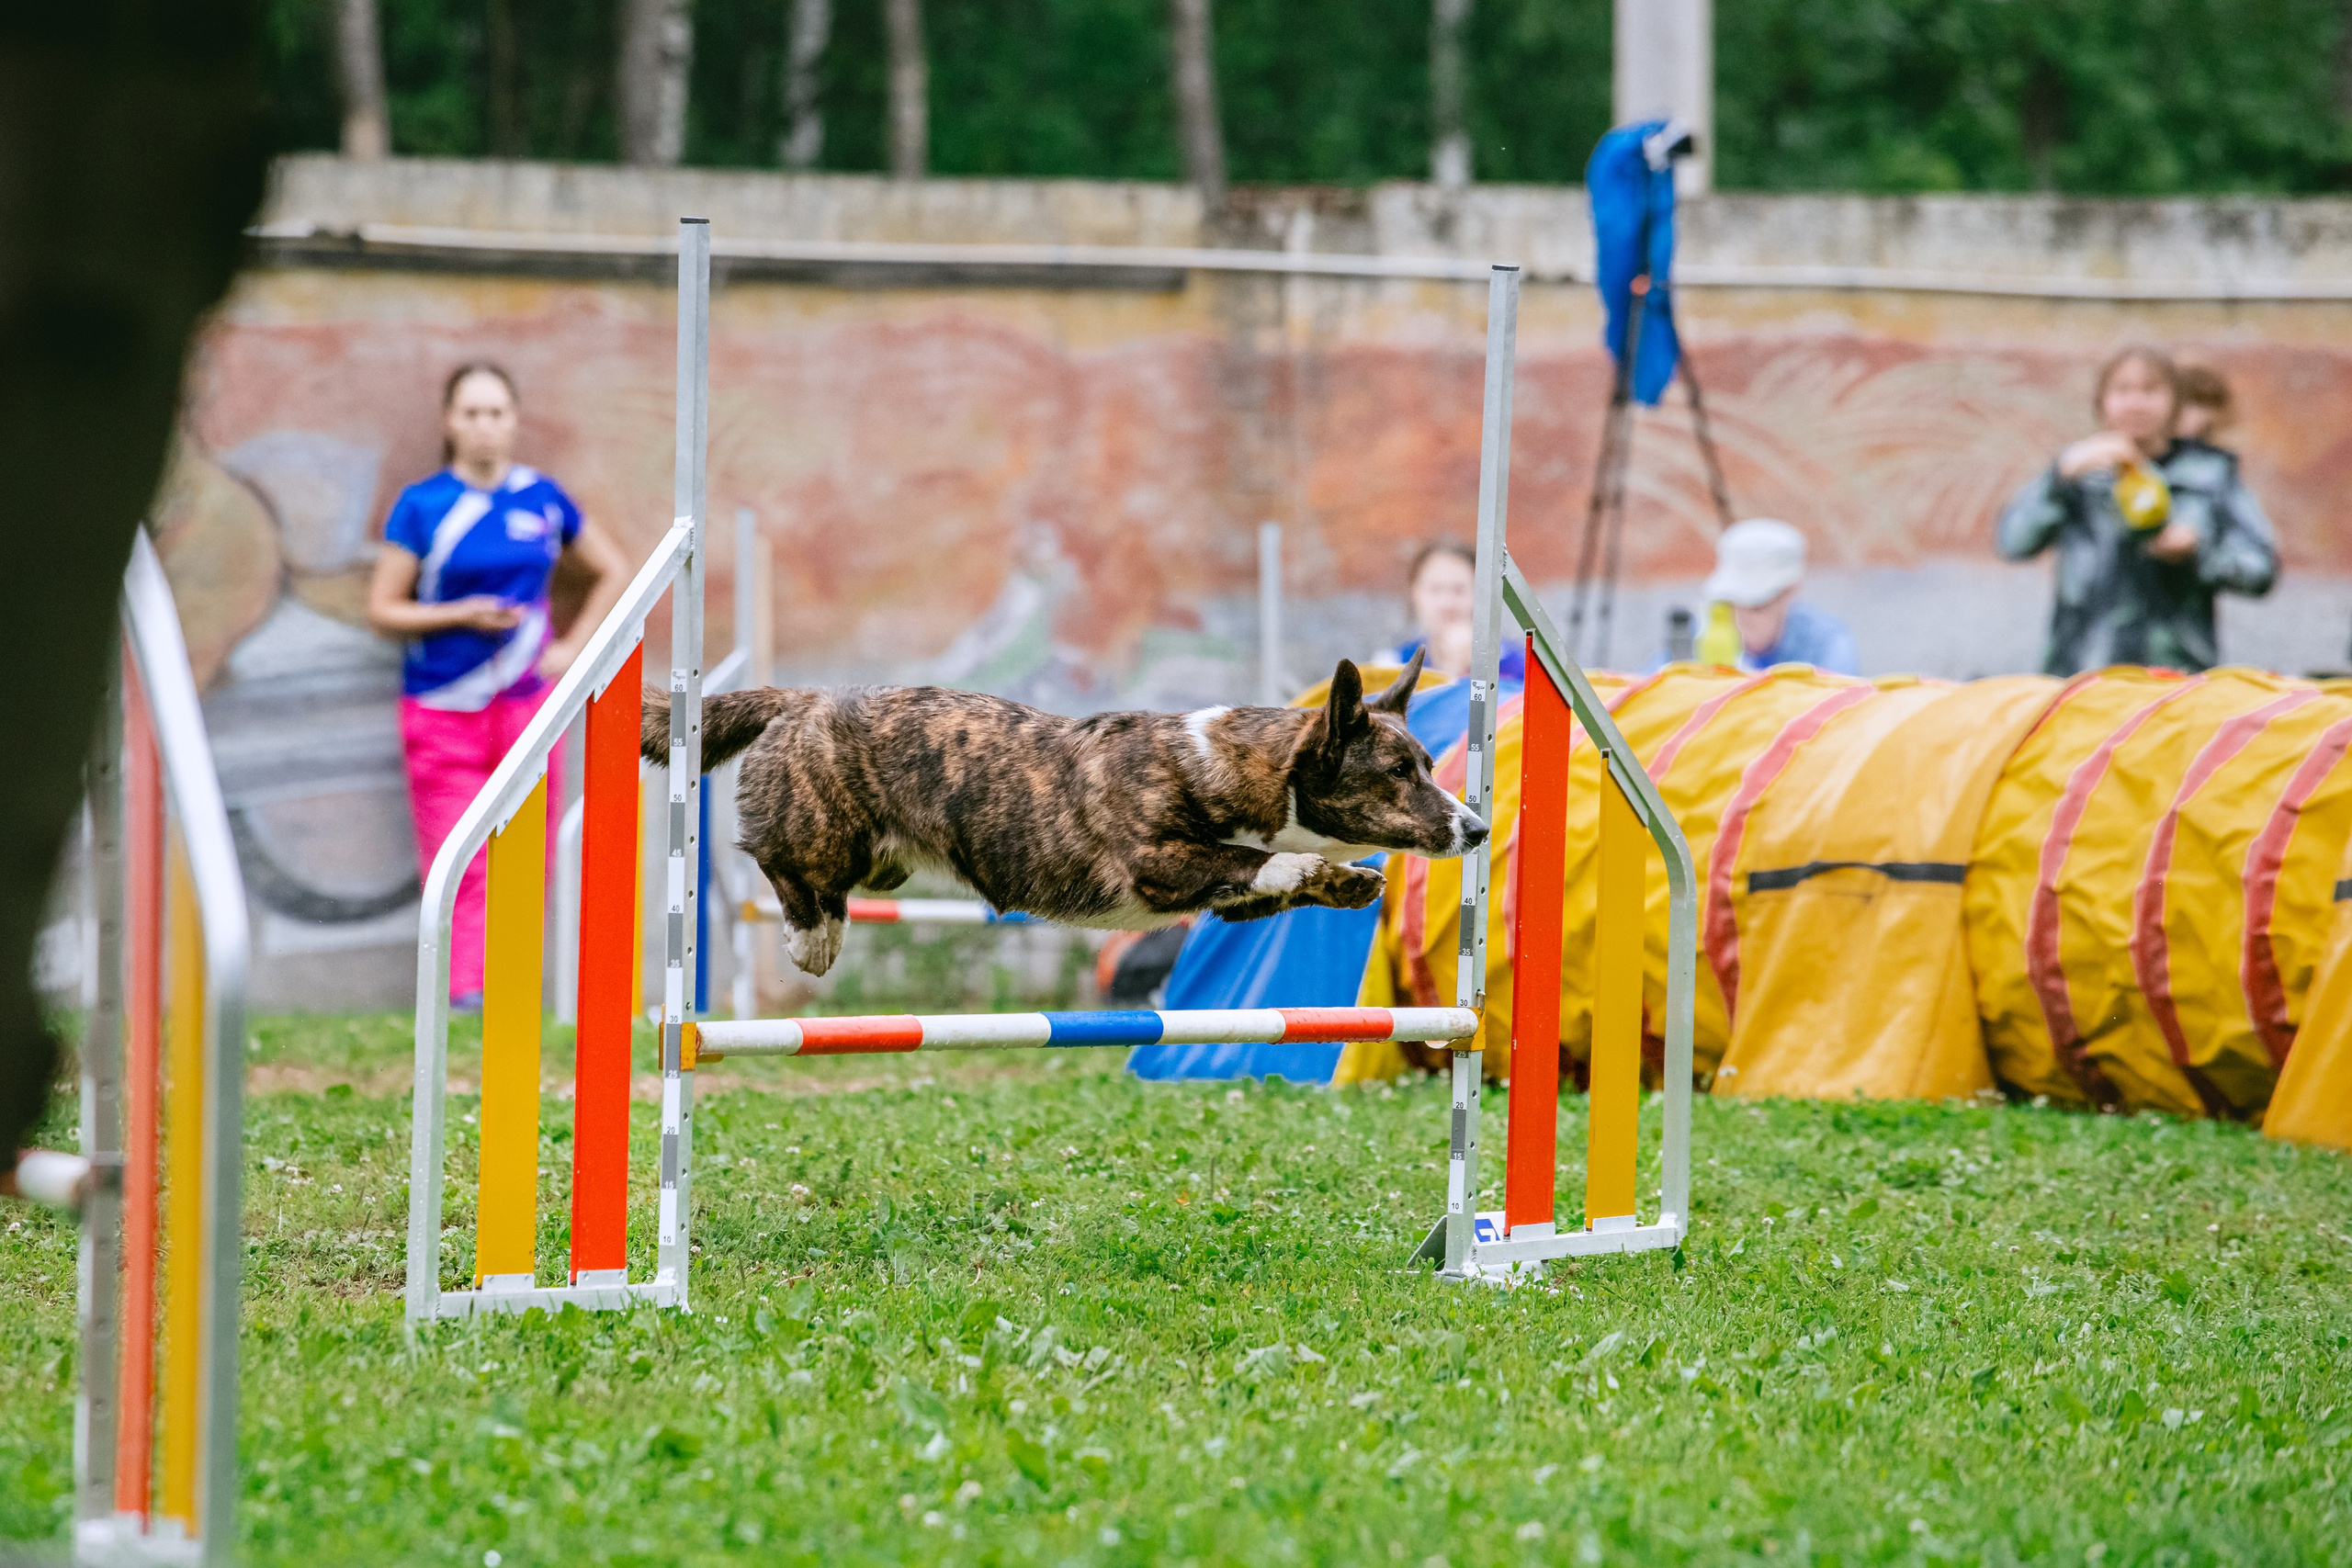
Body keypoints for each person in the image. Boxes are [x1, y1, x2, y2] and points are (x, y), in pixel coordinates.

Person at [367, 364, 628, 1007]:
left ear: (515, 419)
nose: (485, 425)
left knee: (527, 854)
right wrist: (460, 614)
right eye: (471, 412)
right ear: (449, 421)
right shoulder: (422, 505)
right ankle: (461, 993)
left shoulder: (543, 497)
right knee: (458, 856)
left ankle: (509, 989)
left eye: (497, 412)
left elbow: (614, 569)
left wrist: (570, 650)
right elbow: (384, 608)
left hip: (526, 706)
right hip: (439, 706)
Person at [1997, 345, 2278, 675]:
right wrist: (2057, 478)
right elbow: (2012, 543)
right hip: (2084, 675)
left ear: (2174, 401)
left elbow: (2261, 571)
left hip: (2177, 679)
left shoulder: (2208, 473)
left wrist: (2199, 552)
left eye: (2151, 390)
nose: (2136, 403)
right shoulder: (2081, 471)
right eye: (2122, 390)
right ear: (2102, 401)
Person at [1699, 518, 1860, 674]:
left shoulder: (1825, 644)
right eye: (1730, 603)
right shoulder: (1698, 638)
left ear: (1790, 591)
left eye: (1757, 606)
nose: (1741, 617)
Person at [1380, 541, 1525, 681]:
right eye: (1435, 589)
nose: (1447, 603)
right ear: (1415, 593)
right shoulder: (1391, 667)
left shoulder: (1518, 667)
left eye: (1459, 590)